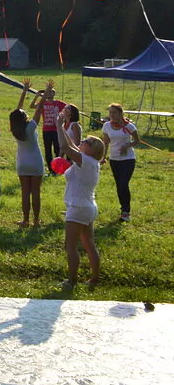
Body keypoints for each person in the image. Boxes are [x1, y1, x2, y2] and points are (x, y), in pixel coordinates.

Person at [57, 117, 105, 290]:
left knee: (70, 246)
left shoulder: (85, 161)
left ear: (92, 149)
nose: (82, 141)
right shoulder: (91, 162)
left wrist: (58, 126)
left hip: (78, 208)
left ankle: (71, 281)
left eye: (87, 141)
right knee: (89, 244)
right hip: (88, 207)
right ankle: (94, 279)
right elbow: (71, 145)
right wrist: (62, 126)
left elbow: (64, 147)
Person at [12, 80, 45, 228]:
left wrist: (24, 91)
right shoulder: (30, 127)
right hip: (35, 162)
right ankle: (36, 221)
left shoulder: (15, 129)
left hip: (22, 163)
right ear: (24, 118)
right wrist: (45, 95)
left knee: (25, 193)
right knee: (35, 192)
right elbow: (38, 110)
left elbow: (16, 112)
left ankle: (25, 220)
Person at [101, 103, 138, 222]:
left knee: (123, 184)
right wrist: (103, 157)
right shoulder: (107, 126)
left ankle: (126, 211)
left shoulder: (129, 126)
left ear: (120, 113)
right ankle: (123, 210)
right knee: (119, 185)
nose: (111, 115)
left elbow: (137, 141)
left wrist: (127, 145)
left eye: (114, 112)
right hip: (114, 159)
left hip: (128, 160)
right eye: (110, 112)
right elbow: (105, 143)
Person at [39, 83, 67, 167]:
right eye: (47, 93)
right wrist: (37, 96)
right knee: (47, 150)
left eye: (51, 92)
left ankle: (58, 166)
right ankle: (50, 167)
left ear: (54, 94)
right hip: (46, 130)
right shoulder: (43, 103)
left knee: (57, 148)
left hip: (56, 130)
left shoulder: (59, 103)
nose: (49, 94)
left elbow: (69, 108)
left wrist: (65, 120)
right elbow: (32, 106)